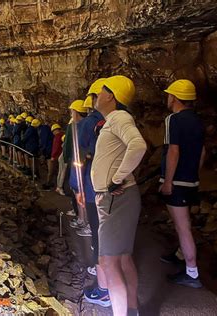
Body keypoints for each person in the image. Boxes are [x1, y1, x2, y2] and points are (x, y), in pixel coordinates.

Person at [91, 75, 147, 316]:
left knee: (109, 262)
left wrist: (116, 179)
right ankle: (132, 310)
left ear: (110, 95)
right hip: (117, 199)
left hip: (117, 199)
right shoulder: (113, 119)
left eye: (100, 91)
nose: (96, 95)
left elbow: (138, 145)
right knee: (123, 259)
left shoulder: (120, 117)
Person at [159, 79, 205, 289]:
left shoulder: (173, 120)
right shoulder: (198, 120)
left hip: (177, 181)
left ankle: (192, 272)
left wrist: (168, 181)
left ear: (175, 98)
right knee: (185, 223)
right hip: (190, 180)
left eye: (170, 95)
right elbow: (202, 151)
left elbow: (173, 151)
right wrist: (194, 175)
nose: (168, 98)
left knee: (182, 226)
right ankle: (180, 254)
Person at [77, 78, 111, 307]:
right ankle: (112, 285)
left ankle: (104, 290)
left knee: (100, 236)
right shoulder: (117, 120)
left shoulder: (90, 123)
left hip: (94, 185)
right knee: (110, 234)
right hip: (113, 187)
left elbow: (81, 154)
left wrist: (77, 186)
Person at [64, 100, 91, 237]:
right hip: (80, 166)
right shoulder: (80, 125)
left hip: (82, 166)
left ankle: (86, 222)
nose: (71, 114)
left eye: (72, 111)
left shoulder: (81, 126)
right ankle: (82, 220)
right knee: (79, 195)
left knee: (83, 196)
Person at [48, 124, 65, 189]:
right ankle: (57, 184)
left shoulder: (57, 137)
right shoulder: (63, 135)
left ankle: (56, 185)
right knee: (58, 170)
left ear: (55, 130)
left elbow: (56, 147)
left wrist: (53, 156)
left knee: (53, 170)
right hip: (61, 155)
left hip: (57, 156)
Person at [38, 122, 54, 190]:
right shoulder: (47, 130)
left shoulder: (43, 130)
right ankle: (49, 181)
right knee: (50, 168)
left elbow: (44, 141)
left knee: (50, 168)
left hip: (48, 152)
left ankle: (48, 183)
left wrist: (42, 150)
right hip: (49, 151)